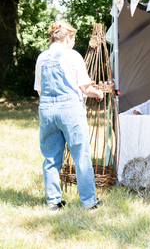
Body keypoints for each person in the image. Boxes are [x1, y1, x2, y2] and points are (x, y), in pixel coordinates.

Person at [34, 22, 103, 211]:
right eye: (73, 38)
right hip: (70, 110)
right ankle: (89, 202)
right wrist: (98, 93)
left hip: (47, 110)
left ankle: (53, 201)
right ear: (68, 37)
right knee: (81, 156)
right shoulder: (73, 56)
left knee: (50, 157)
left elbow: (40, 90)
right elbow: (85, 88)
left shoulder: (41, 57)